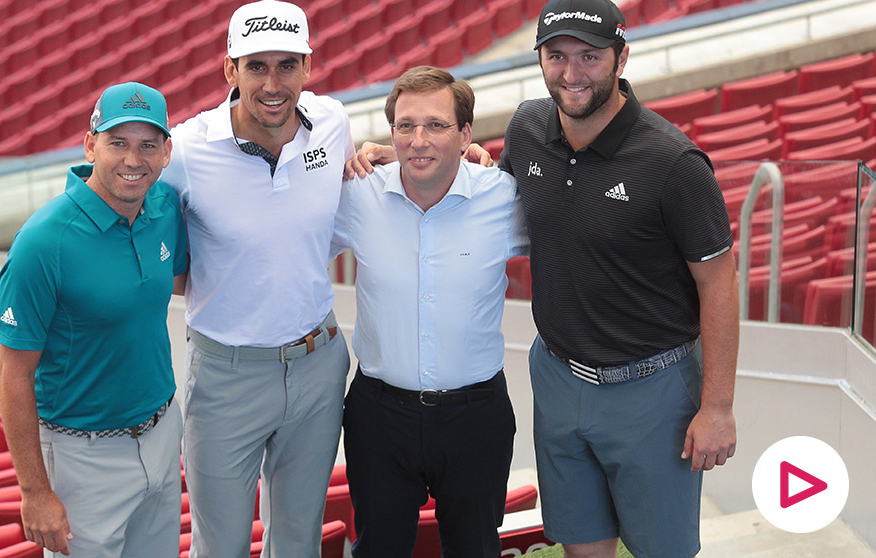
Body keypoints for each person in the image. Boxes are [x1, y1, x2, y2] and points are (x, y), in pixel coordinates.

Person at [499, 0, 739, 556]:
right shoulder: (528, 126)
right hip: (557, 374)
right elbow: (490, 187)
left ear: (621, 57)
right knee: (581, 544)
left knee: (661, 550)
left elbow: (719, 282)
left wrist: (718, 406)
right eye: (556, 56)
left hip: (651, 390)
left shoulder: (674, 162)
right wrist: (404, 154)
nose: (571, 73)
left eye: (590, 56)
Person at [159, 1, 354, 556]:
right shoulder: (187, 149)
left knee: (298, 542)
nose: (272, 83)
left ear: (308, 67)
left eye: (286, 65)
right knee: (218, 547)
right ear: (230, 71)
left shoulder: (332, 123)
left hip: (318, 366)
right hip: (226, 376)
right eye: (256, 67)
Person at [332, 66, 527, 558]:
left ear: (466, 134)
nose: (419, 140)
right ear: (390, 132)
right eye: (405, 126)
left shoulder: (503, 198)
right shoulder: (357, 193)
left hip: (476, 417)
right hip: (379, 416)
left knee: (476, 549)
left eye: (436, 125)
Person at [0, 81, 187, 557]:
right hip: (84, 457)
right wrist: (34, 492)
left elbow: (183, 278)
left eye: (147, 146)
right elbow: (14, 374)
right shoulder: (42, 242)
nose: (132, 160)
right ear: (90, 145)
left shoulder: (164, 209)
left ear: (167, 152)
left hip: (162, 435)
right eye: (117, 143)